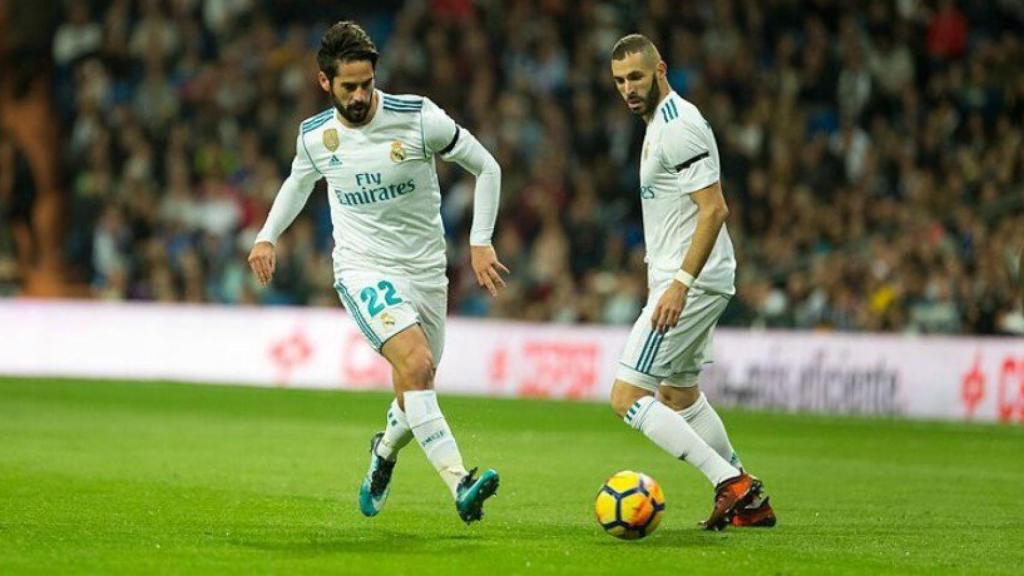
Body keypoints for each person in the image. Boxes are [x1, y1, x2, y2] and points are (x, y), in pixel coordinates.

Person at [248, 21, 507, 524]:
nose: (361, 95)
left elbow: (488, 167)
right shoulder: (316, 137)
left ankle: (383, 453)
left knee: (417, 380)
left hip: (426, 271)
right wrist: (266, 235)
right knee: (415, 363)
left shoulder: (419, 118)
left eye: (367, 84)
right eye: (349, 87)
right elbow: (298, 184)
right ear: (325, 82)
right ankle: (460, 483)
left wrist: (480, 241)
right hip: (363, 267)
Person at [607, 34, 776, 530]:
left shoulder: (678, 126)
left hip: (691, 282)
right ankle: (750, 502)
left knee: (627, 396)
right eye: (619, 81)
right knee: (679, 395)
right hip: (691, 278)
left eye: (636, 77)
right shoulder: (658, 124)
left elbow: (714, 209)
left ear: (660, 70)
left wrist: (680, 283)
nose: (628, 88)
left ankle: (731, 483)